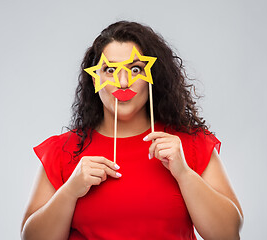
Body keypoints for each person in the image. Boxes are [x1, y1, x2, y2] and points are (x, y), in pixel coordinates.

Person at [21, 21, 243, 240]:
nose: (123, 82)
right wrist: (70, 191)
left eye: (135, 69)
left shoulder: (190, 145)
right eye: (110, 70)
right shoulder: (63, 151)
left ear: (152, 77)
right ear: (94, 78)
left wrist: (184, 174)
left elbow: (227, 234)